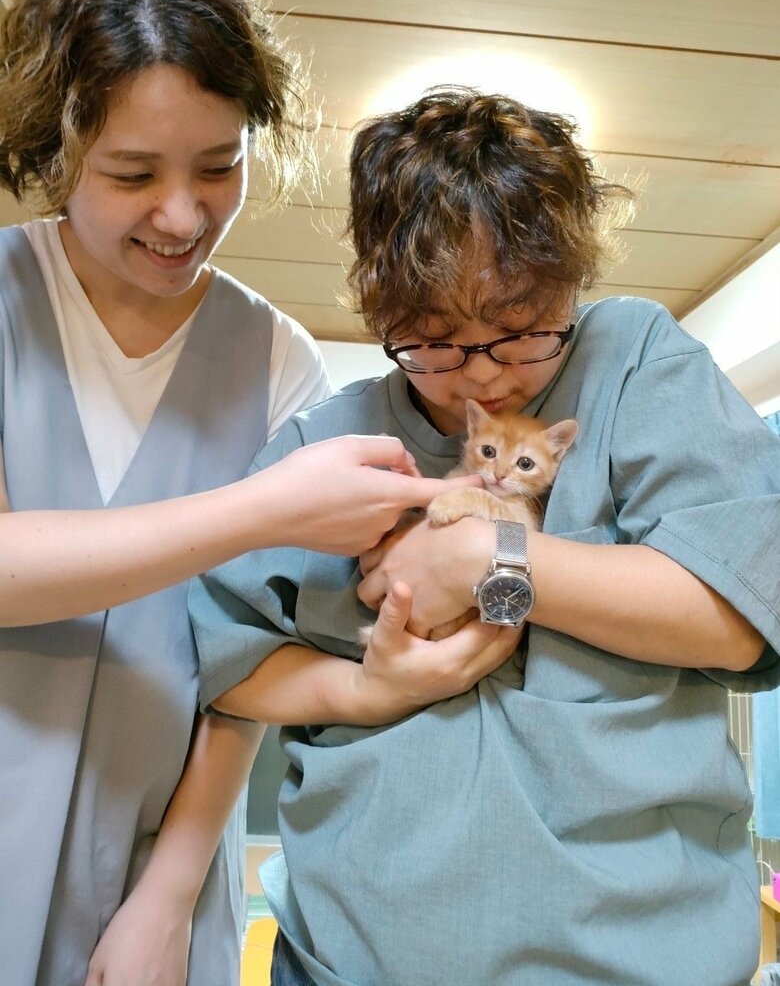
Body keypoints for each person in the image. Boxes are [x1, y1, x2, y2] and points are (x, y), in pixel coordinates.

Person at [188, 86, 780, 986]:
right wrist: (367, 689)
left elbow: (737, 616)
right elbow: (226, 666)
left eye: (517, 332)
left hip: (648, 958)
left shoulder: (635, 363)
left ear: (570, 282)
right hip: (352, 958)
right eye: (433, 342)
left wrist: (489, 561)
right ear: (382, 310)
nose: (484, 374)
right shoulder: (325, 443)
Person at [0, 0, 516, 983]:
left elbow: (245, 662)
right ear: (54, 149)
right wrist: (262, 507)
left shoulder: (279, 357)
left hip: (159, 855)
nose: (183, 216)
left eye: (218, 166)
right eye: (133, 174)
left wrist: (166, 895)